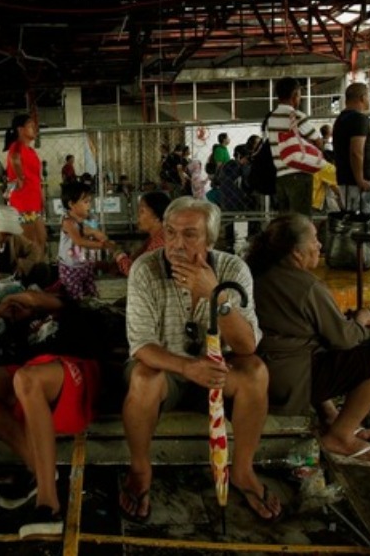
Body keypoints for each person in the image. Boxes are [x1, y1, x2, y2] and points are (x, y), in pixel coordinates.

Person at [119, 197, 279, 522]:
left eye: (190, 234)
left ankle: (243, 471)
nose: (176, 244)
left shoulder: (233, 269)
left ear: (209, 239)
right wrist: (186, 367)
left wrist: (215, 294)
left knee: (256, 373)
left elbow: (247, 345)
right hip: (166, 370)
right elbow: (141, 345)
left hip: (217, 370)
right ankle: (140, 471)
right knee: (142, 377)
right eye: (170, 232)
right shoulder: (145, 269)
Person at [246, 213, 370, 467]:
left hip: (265, 372)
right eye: (314, 240)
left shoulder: (256, 272)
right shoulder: (307, 286)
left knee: (313, 344)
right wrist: (360, 322)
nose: (319, 245)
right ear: (296, 252)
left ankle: (331, 417)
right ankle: (340, 436)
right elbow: (345, 340)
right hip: (292, 381)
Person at [0, 290, 112, 538]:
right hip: (34, 377)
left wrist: (12, 300)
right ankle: (41, 471)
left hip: (76, 370)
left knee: (26, 378)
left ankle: (48, 503)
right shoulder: (19, 329)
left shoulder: (68, 310)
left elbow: (34, 298)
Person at [267, 77, 325, 216]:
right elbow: (318, 142)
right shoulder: (296, 116)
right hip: (299, 174)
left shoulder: (271, 118)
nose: (300, 99)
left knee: (286, 222)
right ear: (294, 95)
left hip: (280, 176)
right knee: (301, 221)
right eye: (300, 95)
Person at [58, 182, 114, 300]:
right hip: (70, 268)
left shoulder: (82, 220)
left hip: (84, 265)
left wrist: (98, 235)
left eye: (89, 201)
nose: (89, 205)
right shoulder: (68, 222)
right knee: (74, 298)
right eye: (85, 202)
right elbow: (79, 241)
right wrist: (102, 245)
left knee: (92, 296)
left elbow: (91, 232)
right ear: (71, 204)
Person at [332, 83, 370, 217]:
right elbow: (356, 151)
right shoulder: (359, 119)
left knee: (351, 218)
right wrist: (360, 179)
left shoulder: (341, 119)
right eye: (369, 97)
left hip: (347, 179)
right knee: (363, 222)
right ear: (363, 98)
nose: (369, 100)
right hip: (359, 181)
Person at [4, 114, 47, 252]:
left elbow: (36, 177)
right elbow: (15, 158)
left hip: (34, 203)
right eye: (31, 126)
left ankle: (35, 271)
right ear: (21, 129)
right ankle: (26, 272)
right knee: (30, 246)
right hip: (23, 204)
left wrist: (41, 197)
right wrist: (20, 177)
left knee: (40, 242)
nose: (35, 129)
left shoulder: (31, 150)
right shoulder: (16, 146)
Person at [114, 191, 170, 277]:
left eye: (142, 211)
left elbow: (135, 272)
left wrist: (118, 253)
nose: (138, 216)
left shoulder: (160, 241)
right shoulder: (152, 239)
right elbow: (136, 260)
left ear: (156, 216)